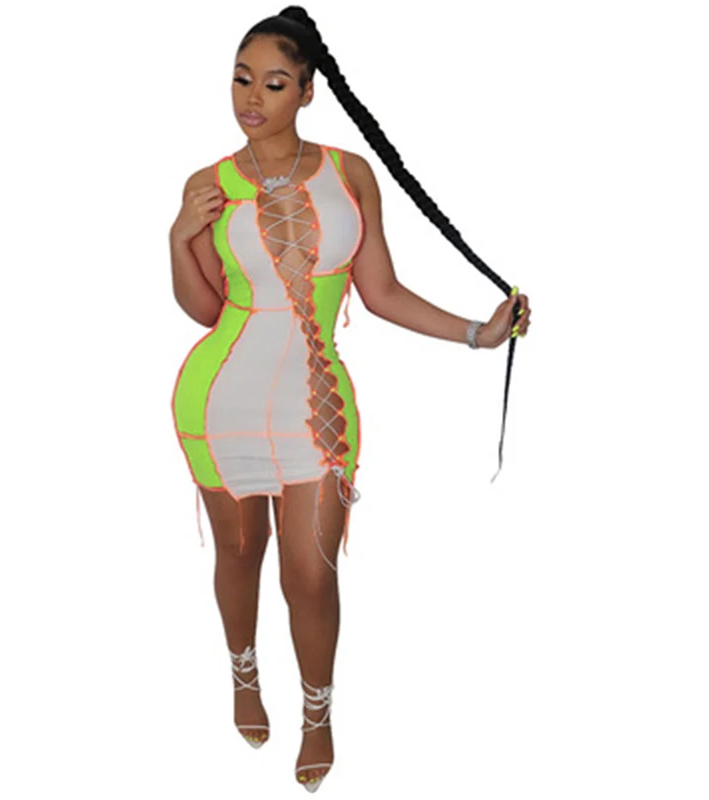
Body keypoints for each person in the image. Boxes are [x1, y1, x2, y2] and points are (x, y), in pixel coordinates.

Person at [169, 6, 532, 792]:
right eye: (241, 79)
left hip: (316, 399)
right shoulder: (206, 185)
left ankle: (318, 712)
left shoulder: (349, 172)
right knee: (239, 554)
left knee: (311, 573)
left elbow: (381, 292)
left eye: (274, 83)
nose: (252, 97)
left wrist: (480, 333)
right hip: (220, 396)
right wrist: (178, 236)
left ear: (308, 91)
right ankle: (242, 672)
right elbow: (204, 309)